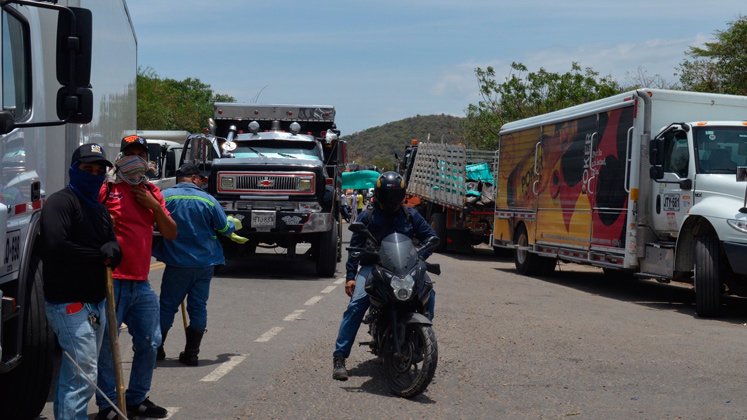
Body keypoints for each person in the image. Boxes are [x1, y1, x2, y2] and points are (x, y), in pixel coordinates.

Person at [96, 135, 177, 420]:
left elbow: (170, 233)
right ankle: (108, 404)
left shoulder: (152, 193)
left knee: (150, 340)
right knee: (108, 344)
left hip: (140, 282)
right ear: (121, 158)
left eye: (141, 154)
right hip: (112, 279)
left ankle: (136, 398)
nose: (136, 159)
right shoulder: (106, 191)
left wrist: (153, 207)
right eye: (130, 153)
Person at [332, 171, 438, 381]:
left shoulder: (410, 215)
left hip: (404, 267)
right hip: (374, 267)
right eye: (388, 195)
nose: (391, 200)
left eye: (396, 195)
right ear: (380, 194)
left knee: (428, 293)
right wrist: (351, 276)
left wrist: (419, 255)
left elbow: (431, 237)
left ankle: (419, 340)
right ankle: (339, 357)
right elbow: (355, 248)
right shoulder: (368, 216)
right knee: (357, 305)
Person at [41, 144, 121, 420]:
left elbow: (108, 240)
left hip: (96, 302)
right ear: (74, 170)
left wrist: (113, 248)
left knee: (84, 373)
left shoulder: (98, 209)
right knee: (82, 376)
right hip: (69, 303)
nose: (95, 174)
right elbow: (55, 245)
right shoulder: (60, 202)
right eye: (88, 169)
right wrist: (99, 256)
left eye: (100, 170)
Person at [153, 163, 246, 366]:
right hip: (204, 263)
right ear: (194, 178)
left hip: (176, 263)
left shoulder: (164, 197)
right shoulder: (209, 200)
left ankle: (156, 350)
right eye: (201, 179)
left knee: (167, 307)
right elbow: (223, 227)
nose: (202, 183)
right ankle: (192, 353)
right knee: (198, 307)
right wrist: (232, 223)